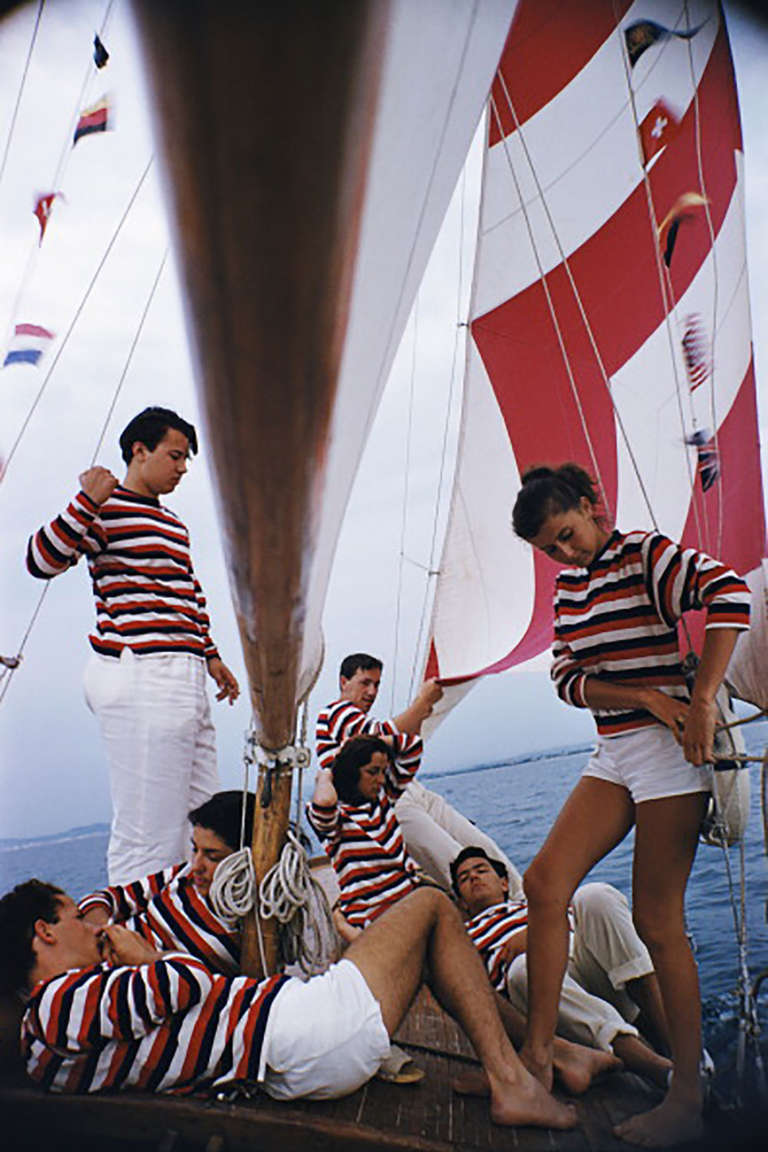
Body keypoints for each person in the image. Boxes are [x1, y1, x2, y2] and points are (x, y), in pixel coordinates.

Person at [510, 463, 750, 1147]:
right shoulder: (568, 588)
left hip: (670, 753)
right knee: (544, 882)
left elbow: (730, 595)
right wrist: (643, 696)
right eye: (550, 548)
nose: (564, 552)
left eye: (567, 534)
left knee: (656, 919)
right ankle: (534, 1059)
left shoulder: (643, 554)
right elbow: (565, 678)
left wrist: (701, 699)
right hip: (615, 750)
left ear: (594, 507)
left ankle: (686, 1095)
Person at [0, 880, 578, 1130]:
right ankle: (516, 1079)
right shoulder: (59, 1008)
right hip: (302, 1033)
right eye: (76, 916)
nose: (93, 926)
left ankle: (538, 1058)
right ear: (44, 934)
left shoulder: (59, 1018)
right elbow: (190, 983)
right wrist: (139, 952)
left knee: (424, 940)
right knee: (430, 906)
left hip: (293, 1036)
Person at [26, 407, 240, 884]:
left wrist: (211, 656)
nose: (183, 467)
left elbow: (187, 592)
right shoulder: (103, 507)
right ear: (139, 452)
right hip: (142, 670)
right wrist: (85, 501)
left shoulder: (174, 525)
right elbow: (40, 561)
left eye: (186, 459)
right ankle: (139, 941)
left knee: (205, 821)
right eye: (175, 456)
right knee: (150, 832)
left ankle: (190, 930)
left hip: (183, 673)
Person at [451, 847, 672, 1088]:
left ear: (504, 884)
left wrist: (536, 934)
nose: (473, 877)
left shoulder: (534, 909)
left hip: (585, 961)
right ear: (461, 902)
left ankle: (670, 1036)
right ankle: (650, 1064)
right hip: (548, 997)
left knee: (593, 896)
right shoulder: (465, 937)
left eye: (481, 870)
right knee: (523, 969)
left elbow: (580, 922)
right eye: (464, 878)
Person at [317, 653, 523, 894]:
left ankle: (524, 906)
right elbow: (380, 734)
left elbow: (407, 740)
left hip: (412, 791)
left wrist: (421, 709)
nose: (372, 692)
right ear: (344, 682)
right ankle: (497, 922)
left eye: (377, 684)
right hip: (389, 803)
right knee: (457, 865)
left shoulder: (356, 721)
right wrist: (423, 702)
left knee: (485, 850)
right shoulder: (335, 713)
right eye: (365, 683)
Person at [77, 790, 256, 975]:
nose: (196, 865)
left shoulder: (254, 932)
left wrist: (145, 957)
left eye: (213, 856)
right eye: (195, 849)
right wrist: (102, 932)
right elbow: (108, 898)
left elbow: (195, 983)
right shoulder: (184, 875)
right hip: (87, 955)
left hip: (123, 983)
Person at [308, 734, 425, 935]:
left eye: (383, 771)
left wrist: (371, 743)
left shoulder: (383, 798)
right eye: (372, 772)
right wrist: (325, 776)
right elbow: (325, 801)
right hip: (370, 914)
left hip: (409, 898)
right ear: (351, 772)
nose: (381, 779)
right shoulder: (336, 820)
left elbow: (413, 746)